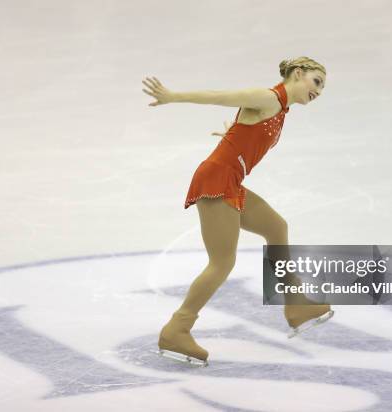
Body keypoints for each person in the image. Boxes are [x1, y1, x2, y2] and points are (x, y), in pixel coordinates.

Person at [141, 56, 334, 367]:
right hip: (217, 180)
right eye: (317, 82)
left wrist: (233, 137)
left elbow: (247, 130)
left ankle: (296, 304)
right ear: (298, 74)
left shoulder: (279, 108)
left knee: (276, 228)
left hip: (229, 179)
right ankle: (177, 328)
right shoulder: (269, 98)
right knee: (222, 262)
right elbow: (221, 96)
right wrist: (172, 96)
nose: (319, 91)